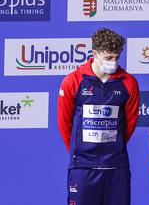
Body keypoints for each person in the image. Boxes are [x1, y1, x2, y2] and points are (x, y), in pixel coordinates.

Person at [58, 28, 140, 205]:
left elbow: (130, 123)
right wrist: (79, 151)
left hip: (116, 166)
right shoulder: (73, 80)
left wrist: (114, 146)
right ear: (94, 53)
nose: (114, 62)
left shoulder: (129, 82)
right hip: (83, 166)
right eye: (108, 58)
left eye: (117, 57)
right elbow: (64, 124)